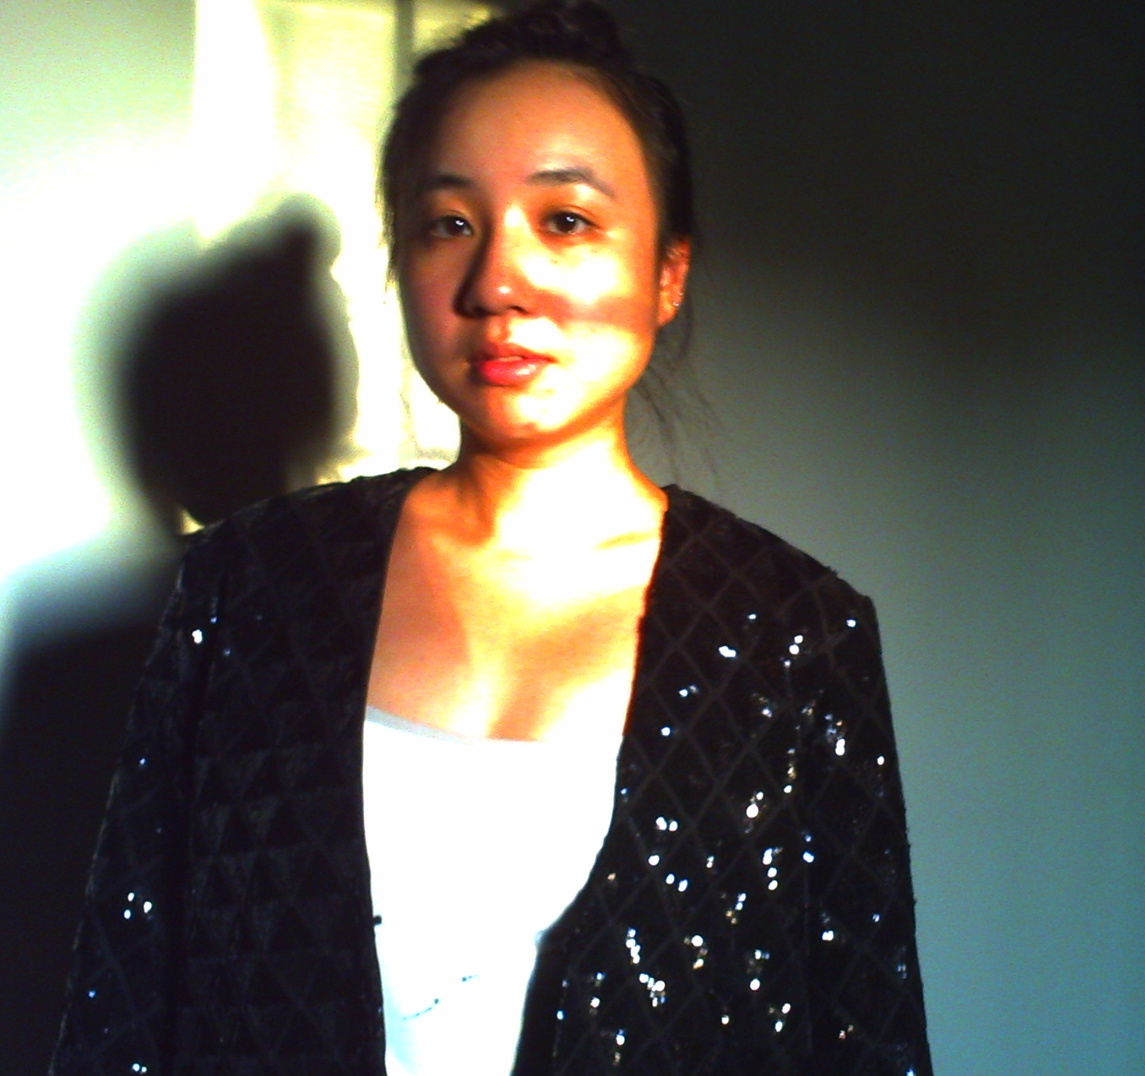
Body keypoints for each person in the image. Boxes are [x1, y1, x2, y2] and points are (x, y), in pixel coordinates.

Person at [50, 2, 931, 1073]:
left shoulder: (797, 634)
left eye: (566, 219)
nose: (499, 284)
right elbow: (120, 1012)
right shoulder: (242, 587)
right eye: (450, 224)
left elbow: (867, 1037)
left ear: (667, 272)